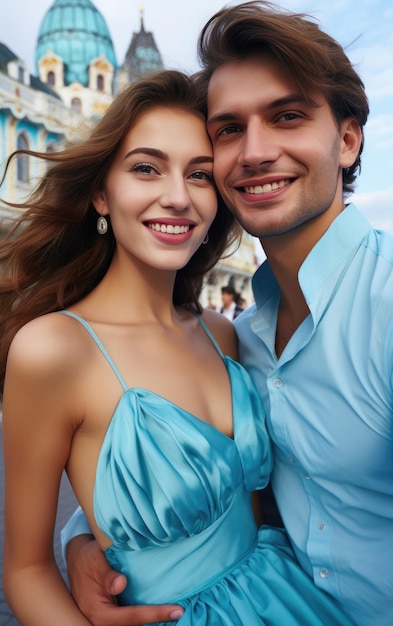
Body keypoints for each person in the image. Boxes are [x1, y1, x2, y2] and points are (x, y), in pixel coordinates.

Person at [61, 2, 393, 626]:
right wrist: (85, 542)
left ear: (348, 139)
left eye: (287, 116)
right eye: (228, 129)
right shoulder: (240, 340)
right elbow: (186, 462)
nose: (255, 152)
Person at [0, 68, 352, 626]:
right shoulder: (52, 351)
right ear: (100, 193)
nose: (177, 198)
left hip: (291, 600)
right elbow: (24, 571)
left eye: (200, 175)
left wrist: (82, 542)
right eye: (146, 168)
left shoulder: (221, 333)